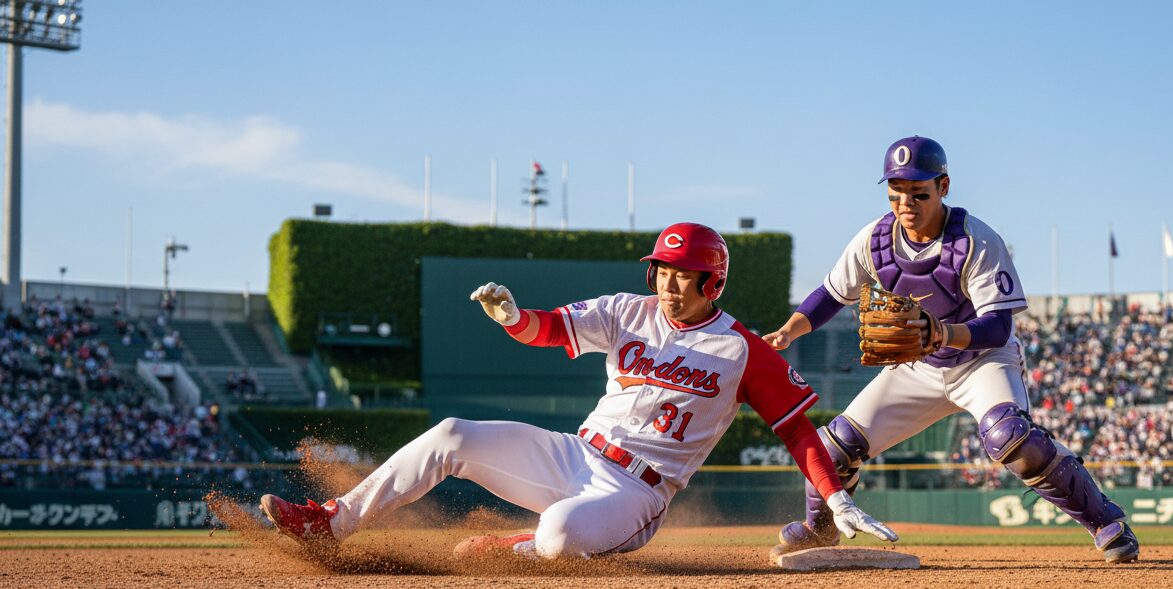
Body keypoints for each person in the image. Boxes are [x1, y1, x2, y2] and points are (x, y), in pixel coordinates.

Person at [259, 222, 897, 560]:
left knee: (561, 535)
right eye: (663, 271)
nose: (671, 284)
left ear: (713, 282)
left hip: (637, 491)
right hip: (574, 452)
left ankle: (523, 548)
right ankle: (331, 523)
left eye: (686, 275)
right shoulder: (627, 309)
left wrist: (834, 498)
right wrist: (514, 318)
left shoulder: (743, 350)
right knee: (452, 433)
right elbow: (550, 329)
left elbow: (796, 430)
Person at [762, 136, 1140, 564]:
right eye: (896, 193)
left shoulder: (975, 240)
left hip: (981, 362)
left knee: (1010, 437)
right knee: (835, 447)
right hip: (918, 365)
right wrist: (789, 331)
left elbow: (998, 327)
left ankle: (1104, 520)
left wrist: (942, 333)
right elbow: (832, 294)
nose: (906, 202)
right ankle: (821, 528)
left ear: (943, 186)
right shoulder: (875, 239)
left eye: (918, 192)